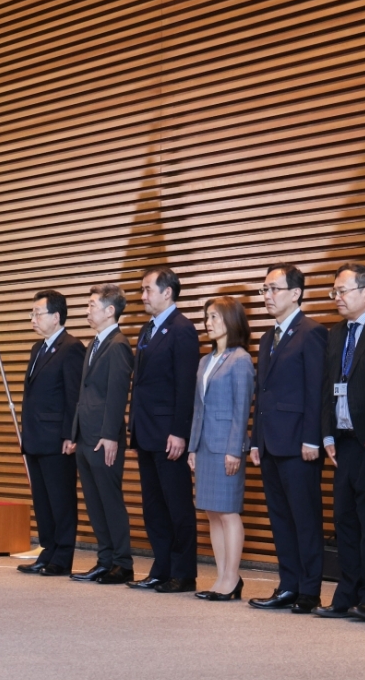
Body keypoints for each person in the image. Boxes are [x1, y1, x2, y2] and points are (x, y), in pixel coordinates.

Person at [314, 263, 365, 621]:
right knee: (344, 519)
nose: (337, 298)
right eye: (334, 292)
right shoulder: (336, 333)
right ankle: (347, 592)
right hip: (343, 440)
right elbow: (329, 383)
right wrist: (327, 431)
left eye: (342, 291)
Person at [248, 263, 328, 614]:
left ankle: (309, 590)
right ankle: (288, 585)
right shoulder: (267, 337)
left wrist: (313, 439)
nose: (267, 296)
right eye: (264, 289)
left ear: (295, 293)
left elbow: (317, 391)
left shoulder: (312, 332)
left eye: (273, 289)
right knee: (280, 517)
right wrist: (255, 440)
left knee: (305, 518)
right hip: (270, 443)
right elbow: (261, 394)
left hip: (299, 443)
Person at [126, 267, 199, 593]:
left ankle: (183, 573)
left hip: (168, 433)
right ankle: (161, 567)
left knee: (177, 504)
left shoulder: (182, 329)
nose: (142, 296)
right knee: (153, 505)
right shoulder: (147, 329)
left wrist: (179, 431)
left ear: (167, 292)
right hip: (146, 432)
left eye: (147, 290)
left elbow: (185, 386)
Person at [187, 296, 253, 601]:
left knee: (228, 512)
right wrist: (192, 446)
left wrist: (235, 449)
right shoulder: (204, 360)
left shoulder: (240, 359)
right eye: (207, 317)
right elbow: (198, 409)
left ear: (230, 319)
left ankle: (232, 579)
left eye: (214, 317)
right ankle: (221, 577)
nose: (208, 323)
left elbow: (242, 410)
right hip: (204, 446)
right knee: (212, 512)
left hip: (225, 446)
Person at [69, 284, 135, 585]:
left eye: (92, 305)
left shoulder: (118, 344)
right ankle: (104, 559)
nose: (87, 310)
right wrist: (74, 433)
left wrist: (110, 435)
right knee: (94, 501)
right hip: (85, 435)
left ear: (110, 310)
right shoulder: (95, 343)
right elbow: (84, 394)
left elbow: (117, 394)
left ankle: (123, 563)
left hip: (103, 437)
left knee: (109, 499)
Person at [17, 290, 85, 578]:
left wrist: (71, 434)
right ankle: (48, 550)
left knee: (61, 499)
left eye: (37, 313)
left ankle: (63, 556)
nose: (32, 318)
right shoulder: (38, 348)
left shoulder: (71, 347)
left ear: (56, 317)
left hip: (57, 439)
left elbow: (74, 396)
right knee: (42, 500)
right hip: (35, 436)